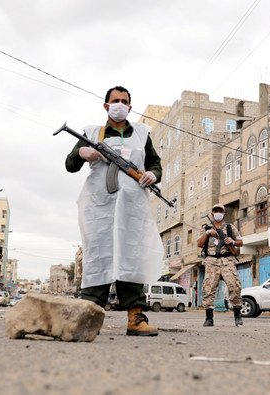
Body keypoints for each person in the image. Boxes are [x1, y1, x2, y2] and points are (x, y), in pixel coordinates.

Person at [65, 85, 163, 336]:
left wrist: (153, 174)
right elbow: (70, 164)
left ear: (130, 106)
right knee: (99, 257)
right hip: (100, 207)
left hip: (133, 208)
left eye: (124, 101)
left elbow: (154, 163)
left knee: (131, 258)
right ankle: (87, 317)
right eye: (115, 100)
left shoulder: (142, 133)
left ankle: (135, 319)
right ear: (106, 105)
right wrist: (81, 152)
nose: (120, 104)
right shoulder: (91, 132)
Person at [196, 203, 244, 327]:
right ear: (212, 213)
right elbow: (199, 244)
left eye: (220, 211)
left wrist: (232, 241)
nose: (218, 212)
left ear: (224, 213)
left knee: (234, 286)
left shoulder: (230, 227)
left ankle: (238, 315)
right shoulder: (206, 227)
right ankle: (209, 318)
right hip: (211, 261)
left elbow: (241, 242)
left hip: (227, 260)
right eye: (215, 210)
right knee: (208, 289)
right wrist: (207, 233)